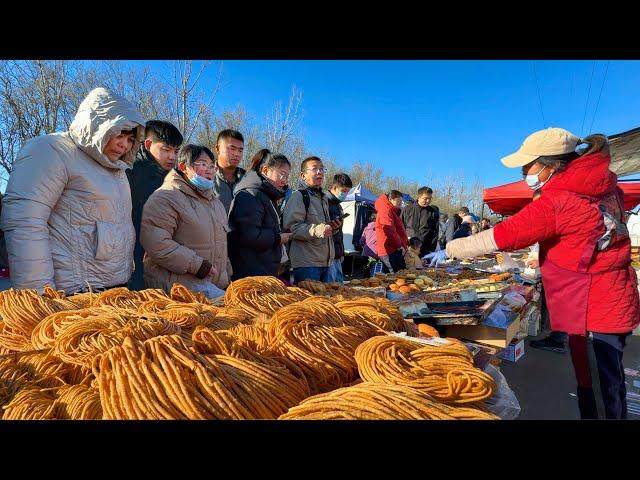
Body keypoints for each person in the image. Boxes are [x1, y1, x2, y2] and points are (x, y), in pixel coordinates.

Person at [426, 127, 640, 419]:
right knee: (607, 382)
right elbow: (587, 237)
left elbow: (503, 236)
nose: (524, 171)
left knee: (598, 389)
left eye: (528, 165)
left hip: (593, 306)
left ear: (550, 165)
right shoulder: (601, 186)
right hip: (612, 295)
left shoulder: (561, 199)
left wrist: (449, 248)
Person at [0, 87, 145, 294]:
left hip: (115, 289)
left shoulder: (118, 170)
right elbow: (25, 222)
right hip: (72, 293)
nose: (124, 145)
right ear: (98, 125)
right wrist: (39, 296)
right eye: (119, 134)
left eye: (131, 139)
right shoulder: (52, 149)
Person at [140, 144, 232, 294]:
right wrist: (197, 265)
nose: (209, 170)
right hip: (178, 290)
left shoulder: (216, 204)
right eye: (203, 164)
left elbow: (222, 246)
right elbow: (157, 244)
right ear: (183, 166)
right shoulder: (166, 197)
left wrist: (225, 278)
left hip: (211, 288)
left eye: (212, 166)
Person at [127, 120, 183, 291]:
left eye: (176, 151)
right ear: (148, 144)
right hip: (135, 256)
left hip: (164, 255)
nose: (172, 156)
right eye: (166, 149)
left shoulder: (173, 177)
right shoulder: (132, 172)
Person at [227, 149, 292, 279]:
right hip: (250, 271)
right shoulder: (251, 195)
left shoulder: (267, 196)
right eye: (282, 174)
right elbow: (248, 235)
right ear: (266, 171)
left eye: (287, 176)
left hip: (263, 268)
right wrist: (278, 238)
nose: (285, 180)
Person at [283, 156, 341, 284]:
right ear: (303, 175)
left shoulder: (324, 198)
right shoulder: (298, 196)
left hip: (327, 263)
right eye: (315, 169)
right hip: (307, 264)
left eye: (322, 169)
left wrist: (333, 228)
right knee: (309, 303)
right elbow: (291, 229)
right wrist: (318, 230)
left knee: (327, 303)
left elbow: (324, 229)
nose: (319, 172)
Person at [526, 189, 568, 354]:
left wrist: (542, 261)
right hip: (554, 272)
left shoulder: (561, 220)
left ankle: (558, 339)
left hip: (562, 274)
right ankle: (557, 336)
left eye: (539, 203)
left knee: (559, 307)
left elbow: (564, 252)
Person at [326, 173, 354, 283]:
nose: (345, 194)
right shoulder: (324, 202)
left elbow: (339, 233)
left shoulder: (338, 205)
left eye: (347, 191)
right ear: (334, 187)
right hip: (328, 256)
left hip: (337, 255)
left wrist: (341, 253)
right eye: (344, 191)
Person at [375, 190, 408, 273]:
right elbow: (389, 229)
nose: (400, 203)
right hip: (390, 249)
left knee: (399, 275)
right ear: (390, 199)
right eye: (398, 201)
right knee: (394, 278)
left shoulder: (391, 210)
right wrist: (399, 245)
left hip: (393, 248)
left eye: (401, 201)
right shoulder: (385, 210)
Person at [213, 129, 246, 213]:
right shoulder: (205, 178)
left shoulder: (247, 179)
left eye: (240, 150)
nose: (237, 154)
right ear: (217, 148)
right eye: (232, 149)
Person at [401, 186, 440, 257]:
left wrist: (432, 249)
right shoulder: (407, 209)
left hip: (424, 250)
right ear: (419, 197)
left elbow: (435, 232)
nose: (428, 201)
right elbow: (400, 227)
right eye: (425, 198)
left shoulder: (432, 212)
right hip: (408, 248)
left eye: (430, 198)